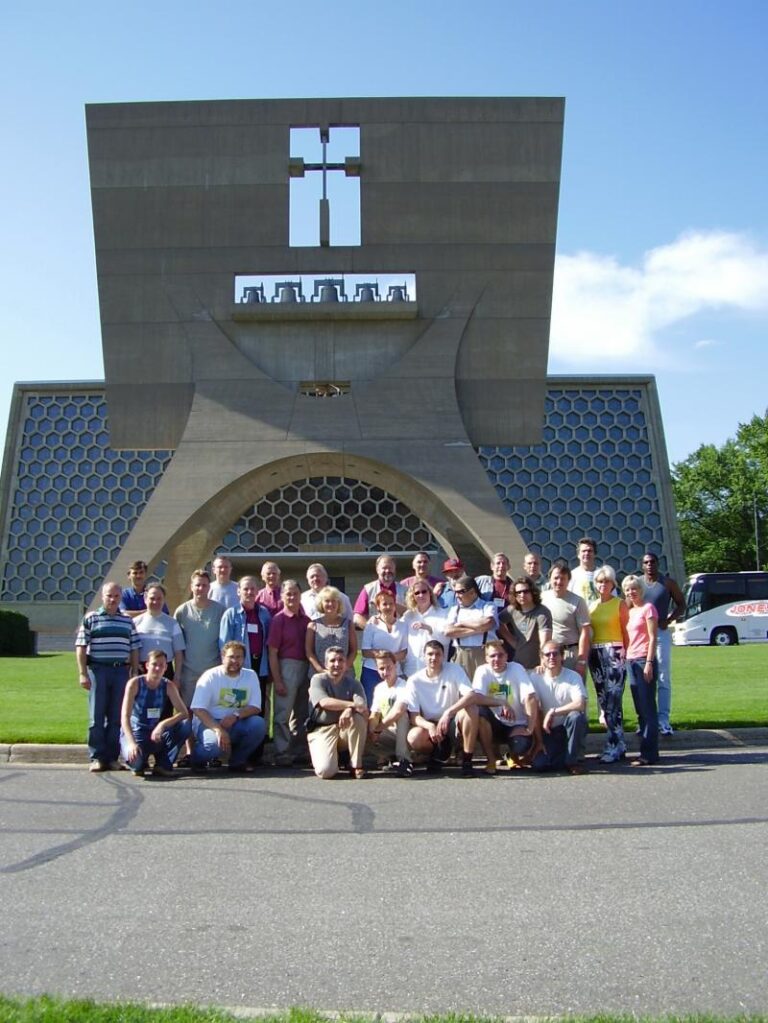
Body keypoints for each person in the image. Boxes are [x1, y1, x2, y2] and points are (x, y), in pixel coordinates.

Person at [75, 581, 141, 772]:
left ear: (121, 597)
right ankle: (96, 757)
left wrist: (134, 670)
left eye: (116, 596)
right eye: (109, 596)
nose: (112, 600)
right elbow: (80, 647)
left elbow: (134, 647)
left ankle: (112, 757)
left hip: (120, 671)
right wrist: (82, 673)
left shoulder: (127, 621)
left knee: (116, 717)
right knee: (96, 716)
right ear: (102, 596)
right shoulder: (92, 618)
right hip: (98, 670)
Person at [190, 641, 267, 772]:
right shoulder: (210, 676)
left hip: (236, 722)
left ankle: (238, 761)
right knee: (213, 746)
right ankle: (197, 760)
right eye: (231, 657)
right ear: (223, 656)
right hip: (209, 723)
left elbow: (255, 706)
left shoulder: (251, 675)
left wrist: (236, 716)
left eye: (239, 657)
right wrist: (218, 730)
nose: (235, 661)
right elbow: (198, 708)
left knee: (258, 724)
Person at [403, 640, 478, 775]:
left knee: (471, 709)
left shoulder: (455, 669)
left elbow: (471, 695)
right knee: (414, 737)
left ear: (443, 656)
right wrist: (429, 726)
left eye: (438, 654)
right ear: (424, 656)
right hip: (431, 724)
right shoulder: (414, 680)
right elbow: (414, 717)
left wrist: (449, 712)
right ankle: (438, 752)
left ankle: (467, 760)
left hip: (452, 721)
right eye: (430, 654)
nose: (434, 658)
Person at [468, 640, 538, 771]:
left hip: (516, 723)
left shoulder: (517, 668)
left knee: (521, 745)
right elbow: (476, 697)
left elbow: (530, 697)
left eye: (500, 655)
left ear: (507, 656)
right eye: (492, 656)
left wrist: (530, 728)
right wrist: (502, 702)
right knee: (479, 711)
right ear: (486, 658)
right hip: (494, 723)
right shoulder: (482, 671)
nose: (497, 659)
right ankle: (491, 760)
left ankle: (513, 755)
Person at [119, 650, 191, 777]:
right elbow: (125, 717)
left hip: (155, 732)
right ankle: (139, 760)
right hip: (136, 731)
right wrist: (131, 743)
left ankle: (163, 764)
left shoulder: (168, 685)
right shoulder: (135, 684)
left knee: (186, 725)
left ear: (166, 667)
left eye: (161, 665)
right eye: (154, 664)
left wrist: (162, 725)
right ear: (147, 665)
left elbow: (184, 713)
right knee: (137, 765)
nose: (157, 668)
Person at [307, 646, 369, 779]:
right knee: (326, 771)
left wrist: (349, 710)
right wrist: (350, 705)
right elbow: (324, 702)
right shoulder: (318, 680)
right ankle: (335, 756)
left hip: (343, 729)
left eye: (341, 660)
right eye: (332, 660)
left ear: (346, 664)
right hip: (322, 729)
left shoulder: (354, 684)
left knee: (358, 719)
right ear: (325, 664)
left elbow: (362, 707)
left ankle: (356, 765)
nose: (337, 664)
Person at [641, 551, 686, 735]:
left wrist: (669, 619)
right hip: (642, 636)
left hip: (660, 634)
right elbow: (627, 607)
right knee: (644, 679)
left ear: (657, 564)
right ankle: (646, 720)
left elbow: (681, 604)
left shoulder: (667, 583)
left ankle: (663, 719)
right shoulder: (637, 584)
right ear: (642, 566)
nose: (650, 565)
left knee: (663, 677)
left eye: (652, 562)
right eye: (646, 562)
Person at [588, 564, 629, 763]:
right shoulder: (592, 605)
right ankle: (619, 742)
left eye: (606, 581)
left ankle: (613, 744)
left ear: (613, 583)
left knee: (614, 699)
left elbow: (626, 630)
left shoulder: (619, 604)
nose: (603, 585)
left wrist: (626, 654)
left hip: (614, 651)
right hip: (595, 653)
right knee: (605, 701)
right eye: (599, 581)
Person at [267, 579, 310, 767]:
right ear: (282, 596)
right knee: (283, 713)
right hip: (286, 667)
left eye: (295, 593)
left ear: (301, 595)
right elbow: (273, 652)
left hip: (305, 666)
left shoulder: (307, 620)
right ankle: (282, 752)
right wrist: (278, 680)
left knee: (301, 712)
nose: (292, 597)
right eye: (288, 593)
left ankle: (299, 750)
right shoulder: (278, 620)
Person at [528, 641, 588, 775]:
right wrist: (539, 741)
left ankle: (572, 762)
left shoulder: (573, 676)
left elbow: (580, 704)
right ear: (542, 658)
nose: (551, 657)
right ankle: (563, 757)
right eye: (547, 654)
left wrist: (553, 711)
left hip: (568, 728)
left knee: (576, 717)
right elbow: (534, 710)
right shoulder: (535, 677)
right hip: (549, 731)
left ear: (562, 656)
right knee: (539, 765)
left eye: (555, 654)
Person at [173, 569, 225, 711]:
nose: (200, 588)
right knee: (187, 710)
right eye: (197, 585)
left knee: (212, 709)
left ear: (209, 587)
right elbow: (176, 644)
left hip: (213, 670)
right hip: (188, 672)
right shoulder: (182, 611)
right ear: (191, 587)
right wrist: (177, 675)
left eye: (204, 585)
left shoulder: (220, 611)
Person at [622, 574, 660, 766]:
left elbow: (653, 637)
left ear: (641, 590)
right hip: (630, 660)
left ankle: (649, 753)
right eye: (628, 589)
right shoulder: (630, 611)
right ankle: (647, 750)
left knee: (648, 709)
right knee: (640, 709)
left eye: (634, 588)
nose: (631, 592)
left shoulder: (648, 609)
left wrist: (649, 662)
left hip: (644, 660)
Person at [541, 563, 591, 680]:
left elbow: (585, 632)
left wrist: (582, 660)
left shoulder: (578, 601)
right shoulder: (542, 598)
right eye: (556, 578)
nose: (559, 581)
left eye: (563, 578)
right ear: (550, 579)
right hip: (549, 654)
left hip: (570, 655)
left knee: (573, 692)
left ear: (568, 580)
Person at [366, 650, 412, 775]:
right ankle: (389, 756)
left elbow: (399, 711)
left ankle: (404, 760)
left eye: (388, 667)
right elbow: (375, 714)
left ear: (395, 665)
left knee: (402, 716)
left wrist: (377, 730)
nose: (385, 672)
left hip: (408, 732)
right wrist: (371, 730)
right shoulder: (379, 688)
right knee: (362, 728)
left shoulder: (405, 685)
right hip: (389, 731)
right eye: (381, 668)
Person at [444, 575, 498, 679]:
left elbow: (487, 623)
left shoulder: (488, 606)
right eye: (456, 592)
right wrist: (478, 629)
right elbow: (448, 631)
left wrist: (461, 624)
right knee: (462, 691)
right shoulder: (454, 610)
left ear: (472, 592)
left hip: (485, 654)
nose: (457, 595)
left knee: (490, 689)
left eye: (461, 592)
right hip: (461, 655)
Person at [360, 590, 408, 704]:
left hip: (395, 671)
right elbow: (365, 651)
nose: (388, 607)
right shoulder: (372, 624)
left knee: (395, 705)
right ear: (378, 607)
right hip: (372, 671)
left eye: (391, 603)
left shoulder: (402, 625)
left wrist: (390, 661)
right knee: (372, 705)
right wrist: (384, 658)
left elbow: (404, 651)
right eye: (384, 604)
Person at [218, 576, 271, 676]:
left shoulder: (264, 613)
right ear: (238, 592)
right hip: (238, 665)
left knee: (259, 691)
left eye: (252, 589)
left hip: (260, 663)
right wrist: (227, 665)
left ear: (257, 592)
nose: (249, 592)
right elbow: (224, 644)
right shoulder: (230, 614)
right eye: (246, 589)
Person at [498, 576, 552, 669]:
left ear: (532, 592)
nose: (522, 595)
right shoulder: (511, 610)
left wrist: (543, 663)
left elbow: (545, 641)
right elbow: (498, 622)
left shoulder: (542, 612)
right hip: (517, 666)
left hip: (537, 667)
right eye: (518, 592)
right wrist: (512, 641)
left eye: (525, 591)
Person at [134, 583, 185, 678]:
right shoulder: (135, 623)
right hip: (142, 672)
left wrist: (177, 677)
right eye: (152, 598)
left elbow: (179, 653)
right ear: (145, 598)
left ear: (164, 600)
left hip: (165, 672)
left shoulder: (173, 623)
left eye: (159, 599)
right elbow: (132, 650)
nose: (155, 602)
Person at [305, 585, 357, 678]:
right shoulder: (313, 625)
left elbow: (353, 650)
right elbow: (309, 651)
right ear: (321, 603)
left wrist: (344, 668)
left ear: (339, 603)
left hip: (344, 675)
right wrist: (321, 670)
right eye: (327, 601)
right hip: (319, 675)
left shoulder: (348, 624)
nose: (330, 604)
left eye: (333, 601)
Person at [400, 581, 448, 678]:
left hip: (435, 669)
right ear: (413, 596)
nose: (421, 595)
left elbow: (446, 640)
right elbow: (396, 631)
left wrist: (429, 628)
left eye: (424, 591)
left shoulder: (442, 614)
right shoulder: (408, 616)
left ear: (430, 593)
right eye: (417, 593)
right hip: (411, 669)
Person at [353, 555, 407, 630]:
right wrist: (371, 630)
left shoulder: (405, 590)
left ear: (395, 570)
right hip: (376, 638)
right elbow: (357, 616)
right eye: (384, 568)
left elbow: (413, 614)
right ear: (377, 570)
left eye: (390, 568)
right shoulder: (368, 589)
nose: (387, 571)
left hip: (400, 636)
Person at [569, 537, 602, 605]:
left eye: (590, 551)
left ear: (595, 554)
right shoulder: (572, 575)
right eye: (583, 551)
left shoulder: (603, 574)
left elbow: (612, 599)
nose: (586, 553)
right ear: (578, 555)